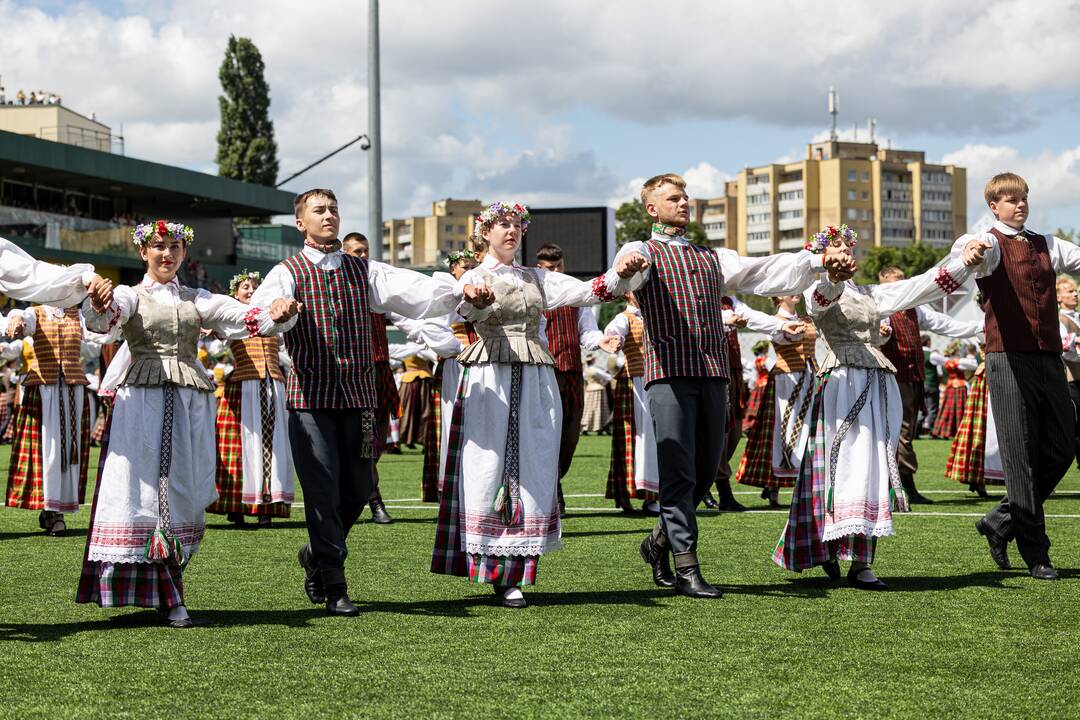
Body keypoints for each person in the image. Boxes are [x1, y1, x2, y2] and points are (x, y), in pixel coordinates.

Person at [611, 173, 853, 598]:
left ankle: (657, 543)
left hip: (712, 372)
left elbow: (765, 271)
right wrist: (625, 267)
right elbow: (623, 275)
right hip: (667, 373)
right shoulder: (641, 252)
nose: (684, 203)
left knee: (705, 472)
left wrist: (817, 260)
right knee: (678, 473)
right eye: (674, 198)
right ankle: (687, 568)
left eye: (685, 197)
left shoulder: (713, 258)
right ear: (652, 208)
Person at [252, 189, 482, 616]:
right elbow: (260, 312)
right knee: (321, 491)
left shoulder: (365, 270)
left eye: (334, 209)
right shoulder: (287, 272)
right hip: (310, 399)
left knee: (358, 490)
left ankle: (317, 553)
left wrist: (460, 290)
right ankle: (335, 583)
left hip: (358, 398)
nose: (329, 216)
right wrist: (278, 310)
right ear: (300, 222)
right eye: (319, 210)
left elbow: (416, 293)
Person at [77, 220, 298, 627]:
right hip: (141, 401)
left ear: (184, 253)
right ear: (143, 252)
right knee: (141, 486)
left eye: (175, 247)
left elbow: (242, 316)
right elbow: (104, 322)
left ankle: (170, 585)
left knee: (184, 486)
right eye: (159, 246)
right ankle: (165, 592)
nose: (167, 254)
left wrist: (274, 311)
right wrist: (101, 301)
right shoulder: (130, 295)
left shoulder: (197, 299)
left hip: (187, 403)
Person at [431, 201, 643, 608]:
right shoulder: (473, 275)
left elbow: (586, 291)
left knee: (535, 461)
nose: (511, 231)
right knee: (488, 463)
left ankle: (519, 570)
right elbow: (465, 310)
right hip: (491, 372)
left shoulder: (539, 277)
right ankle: (495, 569)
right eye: (502, 225)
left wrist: (621, 273)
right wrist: (473, 297)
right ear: (485, 233)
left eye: (516, 225)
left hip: (535, 375)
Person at [774, 224, 978, 589]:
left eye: (848, 246)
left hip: (876, 382)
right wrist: (832, 277)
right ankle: (829, 546)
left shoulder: (870, 294)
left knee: (872, 466)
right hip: (841, 384)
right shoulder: (815, 287)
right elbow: (819, 302)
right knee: (841, 467)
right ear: (821, 254)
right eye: (835, 247)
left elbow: (919, 286)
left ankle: (862, 561)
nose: (844, 252)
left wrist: (963, 262)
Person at [956, 172, 1080, 581]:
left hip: (1047, 356)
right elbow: (971, 250)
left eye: (1023, 198)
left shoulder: (1046, 243)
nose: (1019, 204)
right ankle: (1036, 553)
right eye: (1010, 200)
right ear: (994, 206)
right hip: (1006, 357)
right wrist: (971, 249)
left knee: (1063, 446)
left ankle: (1000, 520)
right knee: (1020, 455)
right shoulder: (989, 243)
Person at [876, 266, 982, 503]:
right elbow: (873, 334)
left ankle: (896, 486)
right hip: (893, 378)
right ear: (883, 286)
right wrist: (880, 332)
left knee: (906, 432)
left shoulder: (914, 307)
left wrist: (976, 328)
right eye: (895, 283)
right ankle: (904, 486)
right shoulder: (881, 308)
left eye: (903, 281)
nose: (902, 286)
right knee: (901, 432)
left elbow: (942, 323)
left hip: (913, 379)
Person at [205, 270, 295, 529]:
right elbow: (214, 341)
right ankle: (237, 506)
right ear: (235, 293)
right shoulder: (230, 317)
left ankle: (267, 505)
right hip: (242, 386)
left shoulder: (271, 317)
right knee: (237, 447)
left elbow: (285, 353)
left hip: (273, 384)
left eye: (255, 286)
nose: (251, 290)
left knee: (272, 444)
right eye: (246, 286)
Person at [3, 304, 102, 535]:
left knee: (68, 452)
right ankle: (50, 509)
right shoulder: (36, 312)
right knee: (47, 450)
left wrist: (91, 334)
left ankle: (55, 510)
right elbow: (21, 318)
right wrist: (16, 316)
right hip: (44, 389)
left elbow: (93, 351)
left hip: (72, 388)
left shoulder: (76, 314)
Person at [534, 243, 604, 516]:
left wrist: (602, 341)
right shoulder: (534, 292)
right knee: (546, 435)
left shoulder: (575, 291)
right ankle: (553, 493)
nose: (556, 271)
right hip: (544, 371)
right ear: (540, 267)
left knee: (570, 438)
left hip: (573, 372)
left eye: (559, 265)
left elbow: (588, 331)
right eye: (550, 267)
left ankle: (555, 483)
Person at [734, 295, 815, 507]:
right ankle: (774, 486)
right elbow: (784, 339)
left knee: (806, 432)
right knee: (782, 431)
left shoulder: (807, 317)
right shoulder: (775, 320)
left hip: (808, 378)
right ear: (778, 296)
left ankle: (803, 486)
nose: (795, 292)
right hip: (786, 379)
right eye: (789, 289)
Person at [341, 231, 395, 524]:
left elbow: (410, 317)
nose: (362, 257)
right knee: (364, 442)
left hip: (382, 371)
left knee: (378, 443)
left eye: (365, 252)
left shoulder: (378, 288)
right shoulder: (341, 286)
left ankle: (363, 492)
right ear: (345, 254)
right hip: (358, 373)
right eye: (356, 252)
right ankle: (374, 500)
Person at [603, 293, 659, 514]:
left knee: (656, 439)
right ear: (628, 293)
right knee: (631, 438)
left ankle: (652, 496)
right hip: (634, 382)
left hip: (657, 380)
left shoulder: (655, 314)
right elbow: (614, 332)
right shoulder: (624, 318)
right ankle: (626, 495)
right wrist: (614, 340)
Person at [946, 348, 1005, 498]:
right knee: (984, 429)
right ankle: (976, 476)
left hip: (987, 379)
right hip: (990, 380)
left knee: (981, 429)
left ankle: (976, 477)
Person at [930, 340, 976, 439]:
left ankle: (943, 431)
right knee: (959, 409)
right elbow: (973, 364)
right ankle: (958, 430)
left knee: (947, 409)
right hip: (959, 386)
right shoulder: (957, 361)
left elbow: (934, 357)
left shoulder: (947, 361)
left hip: (950, 386)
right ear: (957, 351)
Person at [1057, 276, 1080, 467]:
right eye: (1070, 291)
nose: (1075, 294)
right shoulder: (1059, 319)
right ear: (1058, 296)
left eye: (1076, 291)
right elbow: (1066, 349)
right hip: (1072, 380)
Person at [918, 335, 940, 435]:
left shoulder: (918, 353)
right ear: (928, 342)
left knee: (921, 408)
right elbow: (942, 368)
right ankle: (929, 429)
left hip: (921, 384)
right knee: (932, 408)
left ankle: (917, 429)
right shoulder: (932, 355)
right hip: (931, 384)